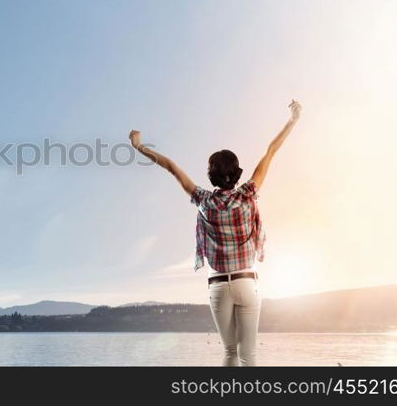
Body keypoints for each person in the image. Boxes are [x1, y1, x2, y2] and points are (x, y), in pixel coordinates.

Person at [128, 99, 301, 366]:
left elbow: (171, 167)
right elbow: (271, 151)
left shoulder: (203, 201)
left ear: (211, 176)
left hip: (218, 285)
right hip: (246, 282)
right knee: (248, 355)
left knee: (230, 352)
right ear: (237, 174)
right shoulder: (248, 194)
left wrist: (139, 147)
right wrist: (293, 119)